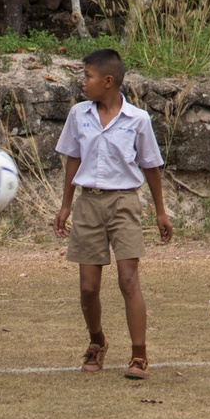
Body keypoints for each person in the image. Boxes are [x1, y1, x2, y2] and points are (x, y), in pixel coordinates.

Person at [53, 49, 173, 380]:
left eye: (88, 76)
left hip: (124, 203)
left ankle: (139, 356)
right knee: (88, 287)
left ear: (108, 81)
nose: (83, 82)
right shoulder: (79, 115)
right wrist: (66, 205)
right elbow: (73, 159)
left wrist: (161, 212)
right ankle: (97, 342)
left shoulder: (138, 120)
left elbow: (151, 167)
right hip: (88, 204)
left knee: (128, 279)